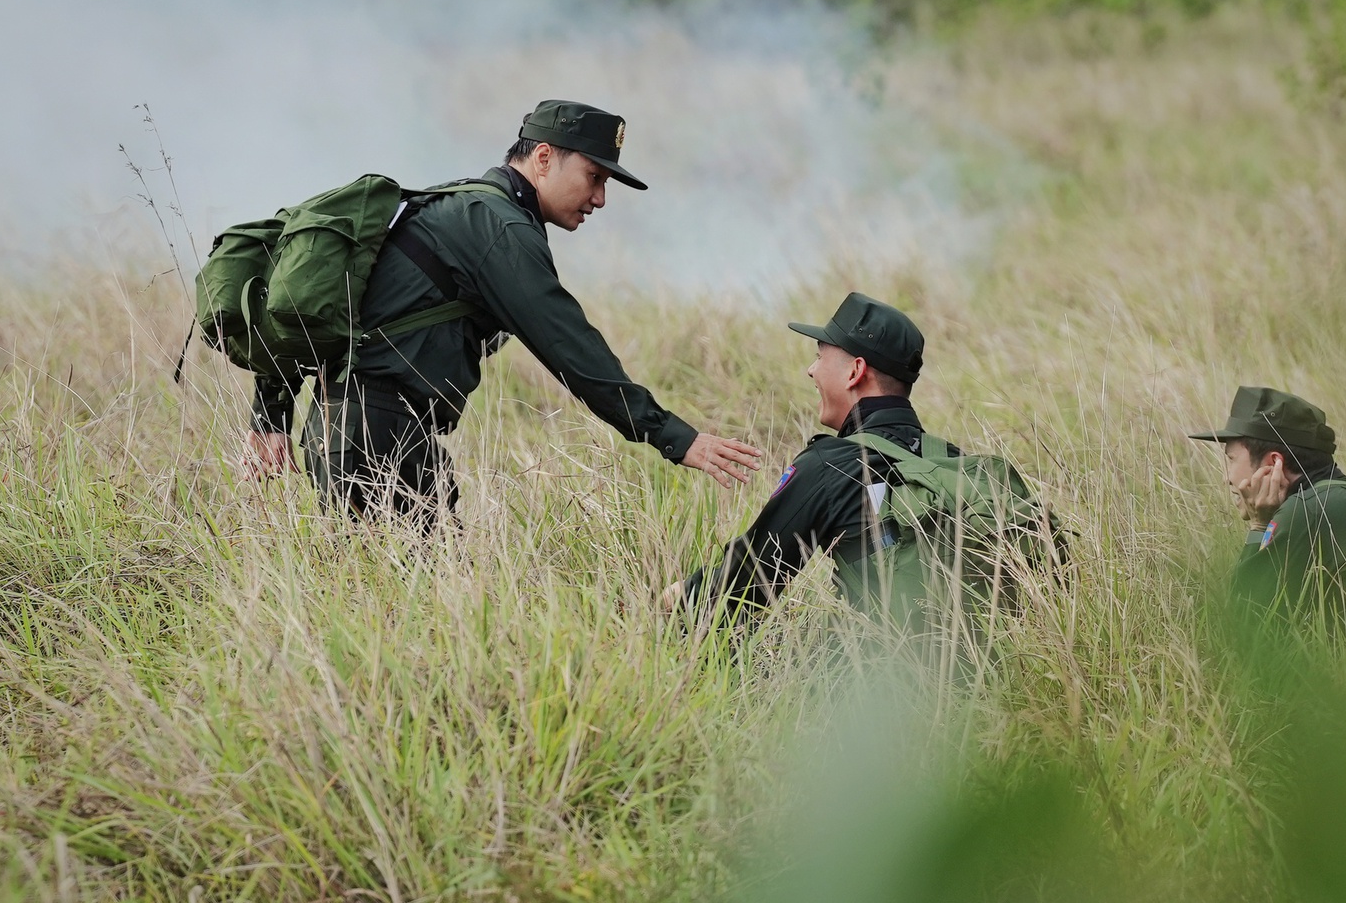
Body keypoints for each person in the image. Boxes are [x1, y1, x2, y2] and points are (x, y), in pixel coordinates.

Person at [244, 100, 762, 520]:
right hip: (377, 438)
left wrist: (271, 411)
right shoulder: (501, 228)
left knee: (399, 605)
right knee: (420, 610)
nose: (600, 199)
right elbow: (572, 348)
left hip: (354, 431)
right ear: (543, 157)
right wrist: (675, 437)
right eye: (594, 177)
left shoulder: (460, 201)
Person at [666, 291, 1041, 621]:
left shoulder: (831, 464)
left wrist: (676, 599)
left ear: (855, 372)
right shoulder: (952, 461)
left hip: (886, 685)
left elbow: (746, 585)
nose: (811, 370)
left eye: (819, 357)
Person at [1189, 386, 1346, 615]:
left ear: (1273, 463)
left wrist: (1259, 526)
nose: (1226, 478)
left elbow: (1245, 621)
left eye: (1231, 459)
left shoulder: (1307, 512)